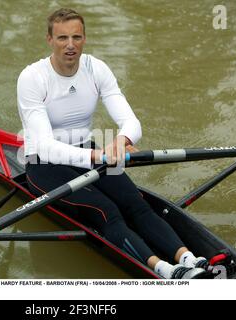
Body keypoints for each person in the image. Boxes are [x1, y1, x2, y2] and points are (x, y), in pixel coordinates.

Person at [17, 8, 210, 279]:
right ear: (49, 40)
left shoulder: (96, 69)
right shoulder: (32, 78)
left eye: (76, 37)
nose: (70, 45)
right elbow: (46, 145)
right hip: (43, 163)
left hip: (90, 152)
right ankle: (165, 270)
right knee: (107, 211)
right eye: (62, 38)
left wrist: (121, 140)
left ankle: (189, 258)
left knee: (136, 204)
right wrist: (99, 157)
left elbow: (132, 123)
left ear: (84, 38)